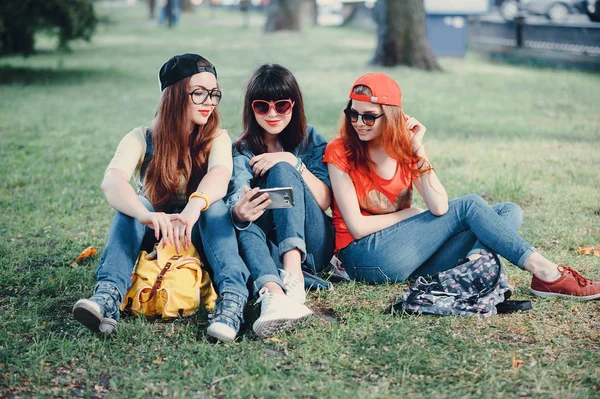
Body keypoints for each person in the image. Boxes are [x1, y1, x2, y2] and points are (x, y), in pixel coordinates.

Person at [323, 72, 600, 300]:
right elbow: (357, 227)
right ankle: (546, 273)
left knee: (507, 211)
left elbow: (439, 206)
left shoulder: (405, 149)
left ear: (393, 116)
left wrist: (417, 150)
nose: (359, 123)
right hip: (362, 258)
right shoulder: (340, 151)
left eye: (369, 116)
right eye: (353, 114)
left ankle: (473, 266)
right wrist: (407, 215)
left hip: (408, 257)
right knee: (469, 205)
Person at [72, 54, 251, 342]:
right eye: (199, 93)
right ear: (175, 95)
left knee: (214, 207)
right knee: (137, 204)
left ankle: (232, 302)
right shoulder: (142, 137)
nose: (209, 102)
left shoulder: (216, 136)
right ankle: (107, 297)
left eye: (214, 94)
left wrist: (194, 207)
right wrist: (147, 215)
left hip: (201, 238)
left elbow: (219, 174)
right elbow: (112, 181)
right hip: (154, 237)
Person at [227, 64, 335, 338]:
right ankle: (273, 294)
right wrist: (241, 209)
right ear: (251, 109)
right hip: (269, 241)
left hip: (314, 242)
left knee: (281, 170)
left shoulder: (308, 139)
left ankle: (294, 275)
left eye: (282, 105)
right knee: (244, 218)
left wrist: (291, 162)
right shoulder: (241, 148)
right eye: (262, 106)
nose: (272, 114)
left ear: (294, 105)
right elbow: (238, 189)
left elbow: (324, 201)